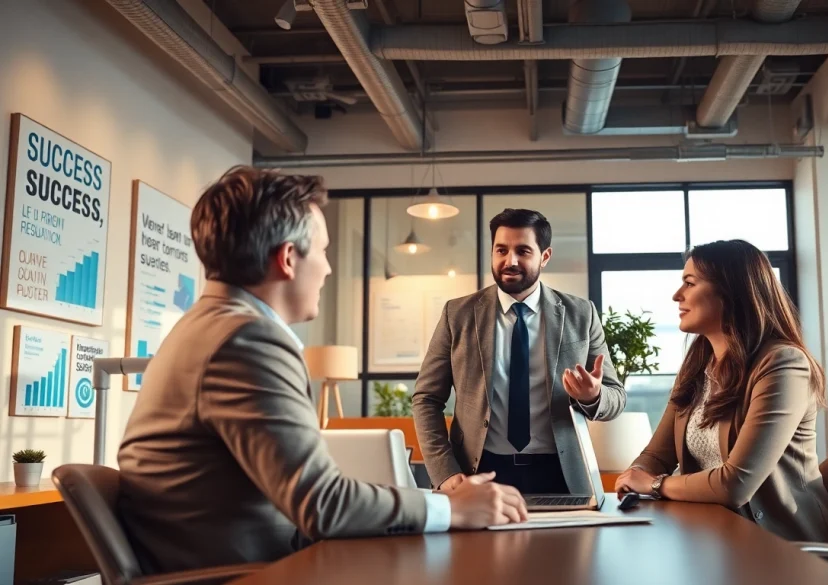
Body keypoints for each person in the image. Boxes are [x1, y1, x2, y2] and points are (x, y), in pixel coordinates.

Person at [117, 167, 527, 574]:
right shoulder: (245, 340)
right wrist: (448, 507)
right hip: (245, 573)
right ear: (289, 258)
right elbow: (322, 504)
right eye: (323, 251)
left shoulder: (209, 326)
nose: (329, 268)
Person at [614, 239, 828, 544]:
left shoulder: (784, 364)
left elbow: (736, 483)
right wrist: (635, 475)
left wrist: (655, 484)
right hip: (715, 535)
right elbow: (658, 453)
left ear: (731, 291)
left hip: (783, 545)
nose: (677, 295)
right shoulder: (697, 365)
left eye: (689, 283)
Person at [414, 208, 626, 496]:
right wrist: (445, 472)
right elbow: (426, 399)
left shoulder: (581, 314)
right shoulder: (458, 314)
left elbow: (616, 396)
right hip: (478, 473)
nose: (509, 261)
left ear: (545, 256)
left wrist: (593, 396)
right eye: (501, 250)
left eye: (523, 251)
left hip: (562, 475)